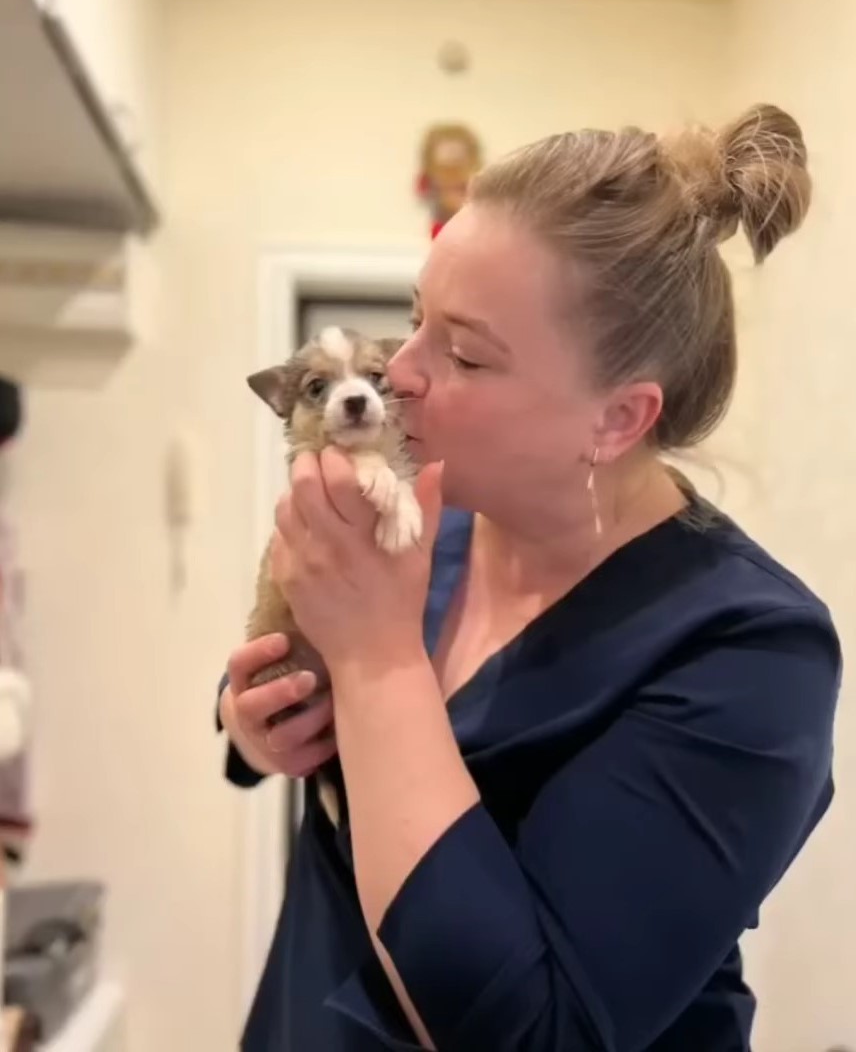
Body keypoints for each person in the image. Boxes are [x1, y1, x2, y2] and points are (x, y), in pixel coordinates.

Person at [216, 103, 841, 1051]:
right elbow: (271, 681)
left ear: (617, 420)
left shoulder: (751, 651)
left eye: (464, 352)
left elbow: (536, 1031)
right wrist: (255, 729)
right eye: (415, 319)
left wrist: (381, 663)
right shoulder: (425, 516)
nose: (399, 371)